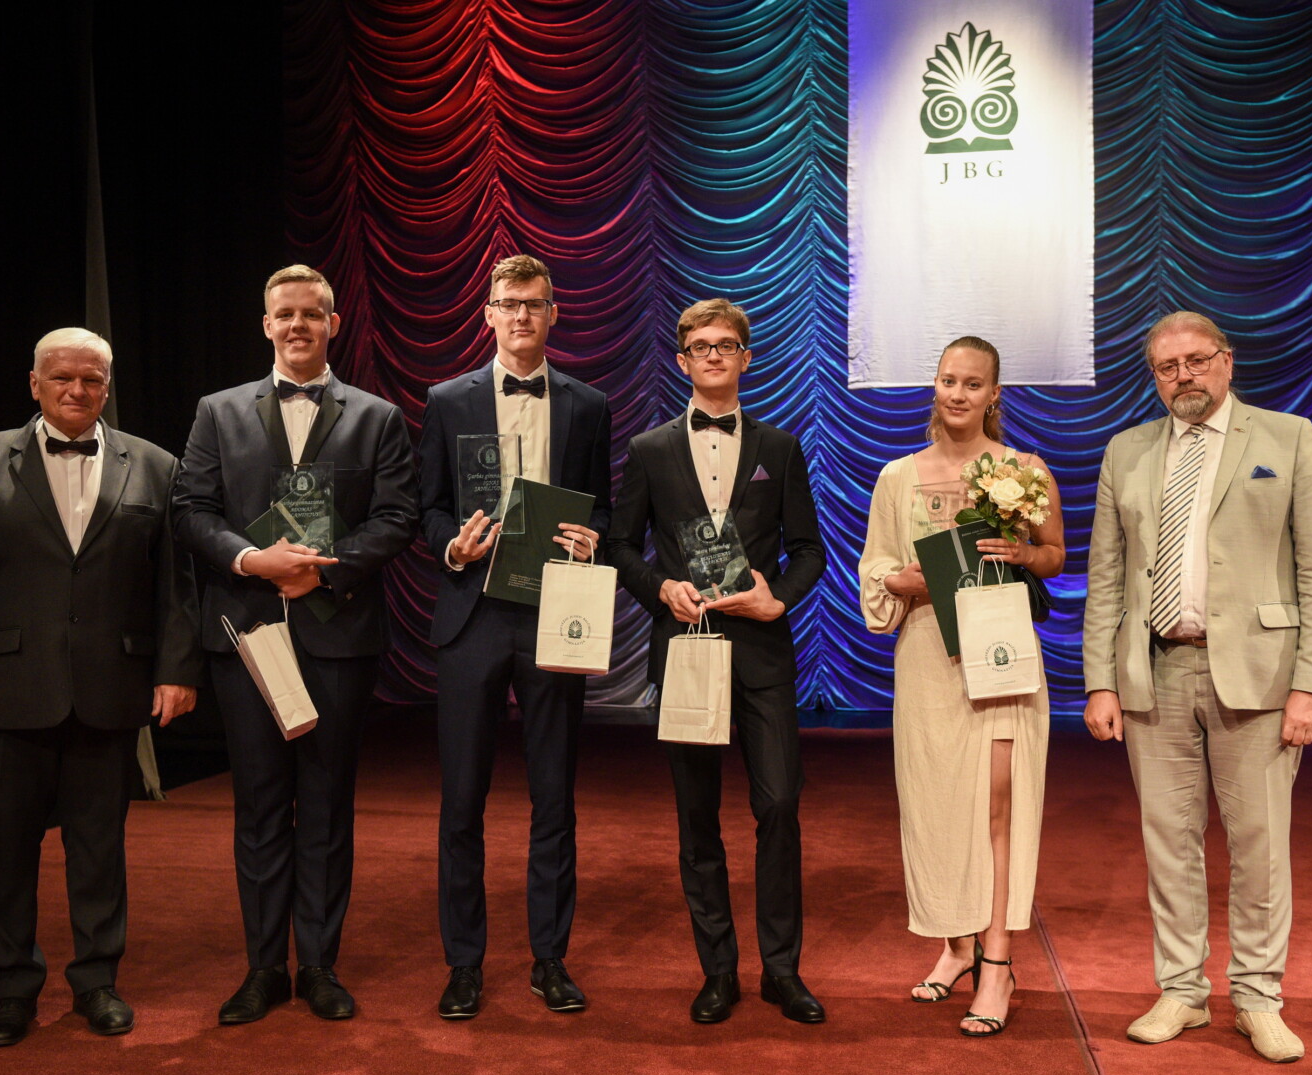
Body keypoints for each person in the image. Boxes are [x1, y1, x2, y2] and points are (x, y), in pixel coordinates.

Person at [1083, 311, 1312, 1064]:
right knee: (1168, 845)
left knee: (1259, 847)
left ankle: (1259, 998)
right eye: (1168, 367)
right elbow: (1107, 578)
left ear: (1226, 361)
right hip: (1154, 672)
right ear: (1154, 376)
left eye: (1197, 360)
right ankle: (1182, 990)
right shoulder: (1126, 450)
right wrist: (1100, 681)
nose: (1184, 377)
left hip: (1261, 678)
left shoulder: (1289, 438)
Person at [0, 328, 202, 1047]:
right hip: (7, 688)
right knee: (4, 851)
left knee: (100, 847)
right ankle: (11, 989)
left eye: (92, 380)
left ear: (108, 386)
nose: (77, 390)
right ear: (35, 383)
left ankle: (97, 981)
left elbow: (176, 585)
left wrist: (175, 669)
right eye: (62, 378)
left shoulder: (156, 465)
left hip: (113, 686)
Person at [173, 265, 418, 1025]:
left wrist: (324, 570)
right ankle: (262, 969)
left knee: (326, 805)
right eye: (285, 314)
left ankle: (317, 965)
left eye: (312, 313)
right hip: (248, 634)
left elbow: (398, 516)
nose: (298, 325)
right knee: (259, 805)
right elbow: (191, 508)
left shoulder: (377, 416)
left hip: (337, 633)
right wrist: (253, 561)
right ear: (266, 324)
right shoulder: (218, 412)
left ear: (334, 324)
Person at [607, 299, 827, 1025]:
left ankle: (782, 971)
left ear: (746, 358)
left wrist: (777, 599)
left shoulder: (781, 448)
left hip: (761, 651)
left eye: (726, 345)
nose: (713, 355)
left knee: (780, 805)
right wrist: (658, 588)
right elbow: (620, 544)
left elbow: (809, 550)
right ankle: (719, 971)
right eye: (700, 346)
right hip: (688, 651)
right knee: (697, 816)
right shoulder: (649, 449)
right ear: (682, 361)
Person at [419, 254, 612, 1020]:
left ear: (553, 313)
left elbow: (604, 507)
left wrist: (592, 536)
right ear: (489, 314)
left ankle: (549, 959)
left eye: (534, 303)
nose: (522, 315)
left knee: (554, 796)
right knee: (461, 800)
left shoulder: (589, 405)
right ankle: (463, 963)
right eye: (509, 303)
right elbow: (429, 507)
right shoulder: (446, 400)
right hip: (471, 614)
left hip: (554, 612)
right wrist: (452, 545)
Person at [857, 336, 1064, 1037]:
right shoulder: (897, 476)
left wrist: (1023, 553)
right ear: (935, 385)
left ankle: (997, 962)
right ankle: (955, 944)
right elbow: (878, 565)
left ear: (994, 394)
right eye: (949, 379)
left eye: (973, 384)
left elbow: (1055, 555)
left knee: (999, 804)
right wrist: (901, 581)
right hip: (927, 658)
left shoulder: (1023, 469)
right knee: (938, 804)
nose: (958, 393)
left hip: (999, 653)